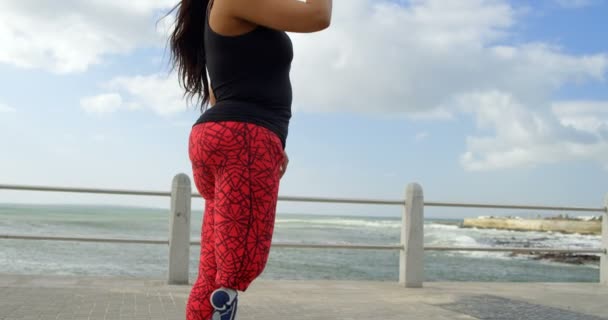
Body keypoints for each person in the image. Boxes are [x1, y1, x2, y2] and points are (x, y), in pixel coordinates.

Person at [167, 0, 332, 319]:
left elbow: (217, 92)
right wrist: (254, 136)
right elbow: (317, 15)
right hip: (244, 139)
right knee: (234, 271)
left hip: (223, 135)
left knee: (214, 271)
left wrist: (264, 139)